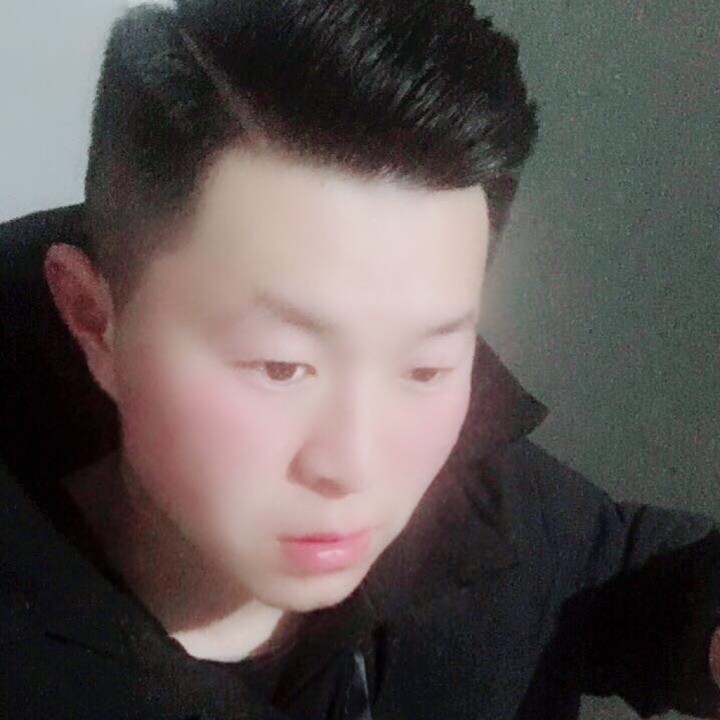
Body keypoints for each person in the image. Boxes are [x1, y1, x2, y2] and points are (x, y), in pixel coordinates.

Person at [0, 1, 719, 718]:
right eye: (280, 367)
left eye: (425, 368)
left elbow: (618, 563)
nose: (356, 465)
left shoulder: (480, 495)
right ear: (95, 321)